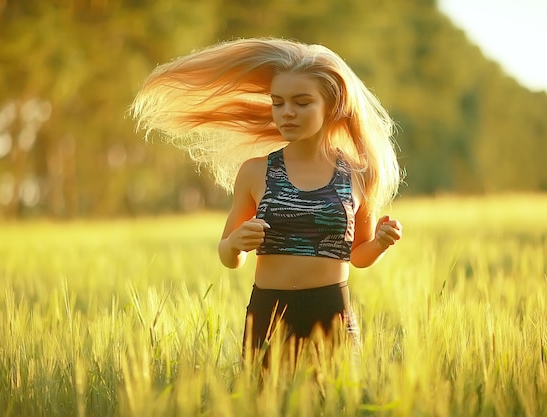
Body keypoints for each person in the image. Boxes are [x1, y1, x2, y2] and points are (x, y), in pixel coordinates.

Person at [131, 37, 403, 364]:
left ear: (332, 106)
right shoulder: (256, 172)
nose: (287, 113)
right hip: (268, 314)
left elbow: (357, 256)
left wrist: (381, 243)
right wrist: (235, 243)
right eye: (278, 102)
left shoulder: (358, 175)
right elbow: (227, 255)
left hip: (332, 314)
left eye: (302, 103)